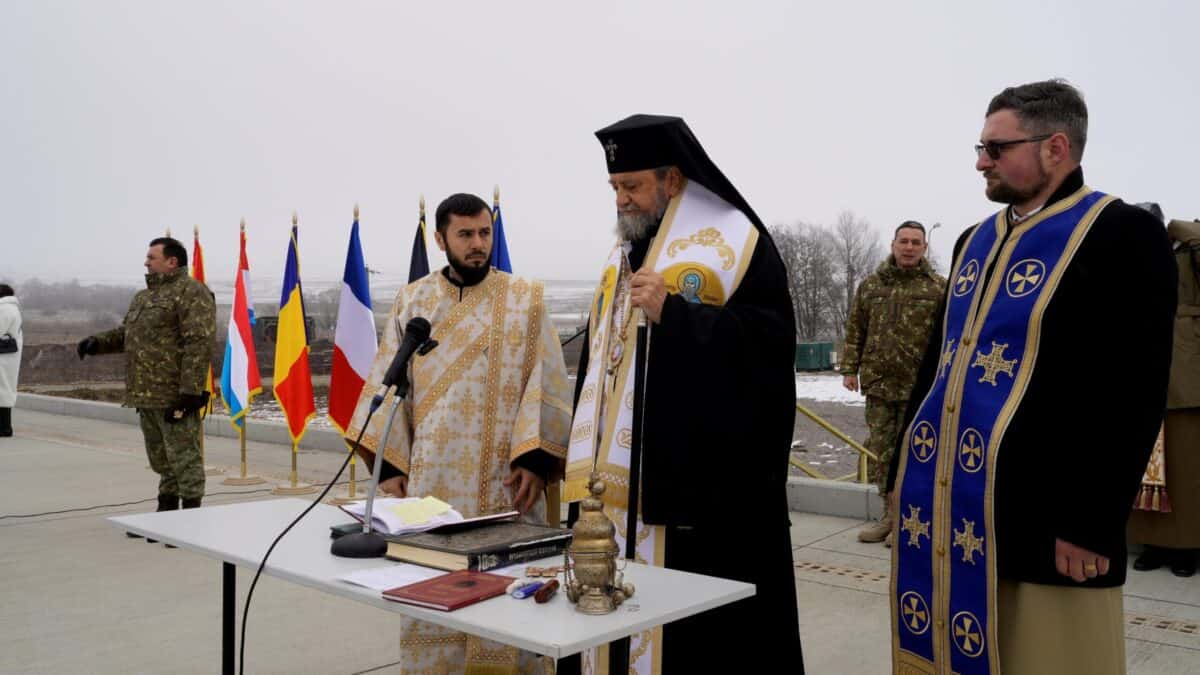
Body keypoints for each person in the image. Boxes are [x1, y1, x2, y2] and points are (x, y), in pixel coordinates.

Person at [887, 80, 1175, 675]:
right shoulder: (974, 241)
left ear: (1056, 148)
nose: (980, 161)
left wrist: (1092, 522)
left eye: (996, 148)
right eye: (980, 146)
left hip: (1055, 516)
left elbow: (1135, 391)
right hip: (956, 504)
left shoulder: (1122, 234)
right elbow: (937, 367)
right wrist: (900, 474)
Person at [559, 114, 804, 674]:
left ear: (672, 181)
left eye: (633, 186)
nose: (622, 200)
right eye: (615, 189)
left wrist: (677, 314)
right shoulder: (624, 255)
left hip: (700, 498)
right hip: (617, 494)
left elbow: (768, 349)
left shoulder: (738, 244)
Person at [345, 193, 572, 673]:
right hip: (432, 483)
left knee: (511, 606)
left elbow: (547, 379)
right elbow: (389, 379)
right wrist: (390, 468)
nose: (477, 245)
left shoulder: (525, 298)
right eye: (465, 234)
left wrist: (534, 460)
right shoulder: (414, 300)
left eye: (484, 233)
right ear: (441, 238)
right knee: (432, 602)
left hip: (505, 484)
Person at [78, 237, 216, 538]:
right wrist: (96, 343)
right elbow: (127, 334)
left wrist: (190, 391)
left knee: (185, 459)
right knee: (162, 459)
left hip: (175, 393)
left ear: (172, 261)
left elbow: (198, 341)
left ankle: (191, 524)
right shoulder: (143, 298)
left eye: (151, 257)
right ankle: (165, 518)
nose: (146, 262)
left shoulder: (192, 292)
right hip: (146, 393)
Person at [841, 221, 945, 545]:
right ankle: (889, 517)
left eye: (916, 242)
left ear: (925, 248)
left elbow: (949, 337)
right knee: (883, 454)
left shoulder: (939, 288)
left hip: (921, 390)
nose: (910, 247)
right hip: (880, 385)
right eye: (904, 241)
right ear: (893, 244)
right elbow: (856, 327)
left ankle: (911, 519)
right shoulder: (871, 286)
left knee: (918, 454)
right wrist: (849, 368)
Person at [1129, 214, 1200, 577]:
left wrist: (1187, 232)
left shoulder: (1188, 248)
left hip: (1184, 374)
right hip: (1139, 370)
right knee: (1142, 464)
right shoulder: (1132, 255)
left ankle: (1187, 547)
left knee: (1186, 465)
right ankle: (1152, 544)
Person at [0, 283, 22, 437]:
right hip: (7, 357)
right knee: (4, 390)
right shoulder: (11, 308)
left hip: (3, 357)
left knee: (3, 391)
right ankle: (4, 427)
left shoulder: (5, 309)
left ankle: (4, 428)